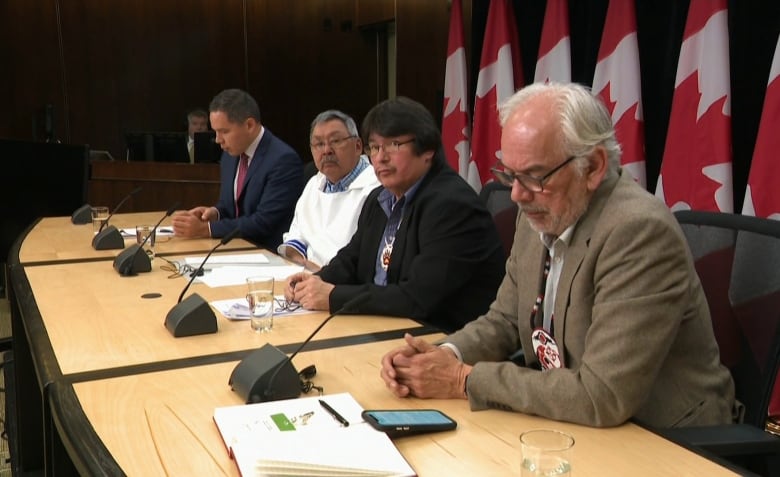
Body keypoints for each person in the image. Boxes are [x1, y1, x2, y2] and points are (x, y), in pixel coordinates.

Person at [379, 82, 737, 429]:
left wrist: (463, 380)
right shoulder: (541, 209)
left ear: (593, 167)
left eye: (534, 176)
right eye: (511, 175)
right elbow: (504, 320)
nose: (517, 194)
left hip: (664, 436)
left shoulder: (638, 231)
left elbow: (603, 395)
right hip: (574, 420)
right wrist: (444, 355)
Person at [284, 97, 506, 333]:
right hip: (385, 325)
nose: (381, 157)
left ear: (427, 150)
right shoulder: (380, 197)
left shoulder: (452, 206)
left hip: (439, 337)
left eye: (394, 145)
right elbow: (352, 259)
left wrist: (333, 296)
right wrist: (315, 281)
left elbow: (417, 297)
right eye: (375, 147)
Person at [172, 89, 303, 249]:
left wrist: (206, 229)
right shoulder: (230, 154)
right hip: (234, 246)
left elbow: (264, 223)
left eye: (224, 131)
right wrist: (215, 213)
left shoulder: (283, 160)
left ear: (249, 125)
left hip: (267, 252)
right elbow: (230, 206)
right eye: (215, 132)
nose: (218, 140)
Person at [277, 110, 380, 271]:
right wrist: (303, 263)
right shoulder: (315, 183)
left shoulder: (376, 189)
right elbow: (296, 236)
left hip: (344, 285)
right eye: (319, 144)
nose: (326, 150)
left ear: (358, 146)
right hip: (305, 275)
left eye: (336, 141)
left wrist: (323, 275)